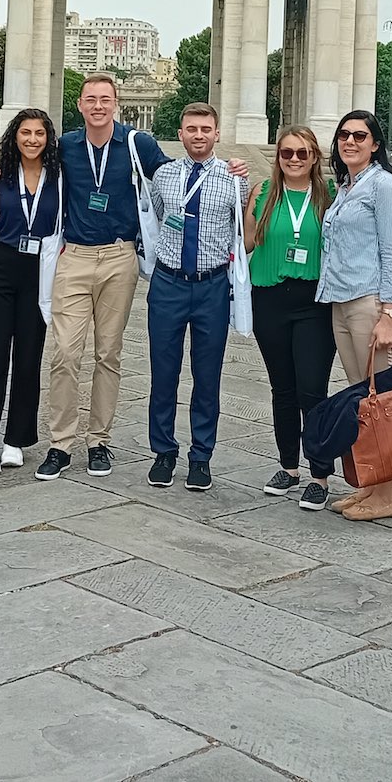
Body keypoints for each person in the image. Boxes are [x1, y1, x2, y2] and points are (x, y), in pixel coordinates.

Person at [35, 73, 247, 481]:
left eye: (105, 99)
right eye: (91, 99)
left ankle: (100, 440)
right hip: (77, 256)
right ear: (79, 105)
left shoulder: (140, 146)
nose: (98, 105)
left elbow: (234, 218)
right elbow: (29, 166)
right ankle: (62, 442)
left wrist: (236, 172)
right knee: (65, 353)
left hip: (123, 257)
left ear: (116, 104)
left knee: (110, 354)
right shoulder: (65, 147)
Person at [144, 103, 247, 493]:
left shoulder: (234, 178)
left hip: (211, 285)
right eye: (191, 129)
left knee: (207, 375)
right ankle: (163, 451)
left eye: (206, 128)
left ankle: (201, 456)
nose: (199, 135)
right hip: (169, 283)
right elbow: (154, 220)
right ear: (181, 133)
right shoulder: (165, 176)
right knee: (163, 371)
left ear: (217, 133)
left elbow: (243, 227)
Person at [316, 108, 392, 521]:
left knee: (383, 399)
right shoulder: (346, 187)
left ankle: (387, 494)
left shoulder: (384, 186)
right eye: (344, 136)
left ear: (375, 144)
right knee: (363, 397)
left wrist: (388, 313)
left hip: (370, 303)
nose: (350, 142)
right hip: (341, 300)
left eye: (359, 136)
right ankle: (372, 485)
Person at [244, 125, 337, 510]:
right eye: (287, 153)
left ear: (315, 157)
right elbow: (247, 242)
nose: (294, 160)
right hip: (269, 297)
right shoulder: (262, 194)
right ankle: (288, 466)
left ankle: (319, 473)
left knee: (312, 390)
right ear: (277, 157)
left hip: (313, 302)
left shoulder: (329, 197)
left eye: (302, 153)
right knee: (282, 389)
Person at [0, 108, 61, 475]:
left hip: (40, 269)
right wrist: (1, 224)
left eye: (39, 134)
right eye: (25, 133)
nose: (32, 140)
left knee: (29, 357)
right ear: (15, 135)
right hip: (2, 264)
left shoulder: (59, 175)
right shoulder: (0, 171)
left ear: (48, 139)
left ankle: (16, 440)